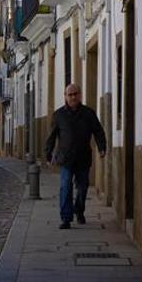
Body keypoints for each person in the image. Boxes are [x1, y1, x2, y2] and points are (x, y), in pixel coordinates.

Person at [45, 83, 107, 229]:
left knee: (83, 187)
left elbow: (98, 131)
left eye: (75, 94)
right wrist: (48, 154)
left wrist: (102, 147)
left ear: (80, 95)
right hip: (66, 158)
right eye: (70, 94)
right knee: (65, 187)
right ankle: (66, 218)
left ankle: (79, 210)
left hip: (83, 158)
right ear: (65, 96)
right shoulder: (58, 115)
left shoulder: (88, 113)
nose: (73, 97)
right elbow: (51, 136)